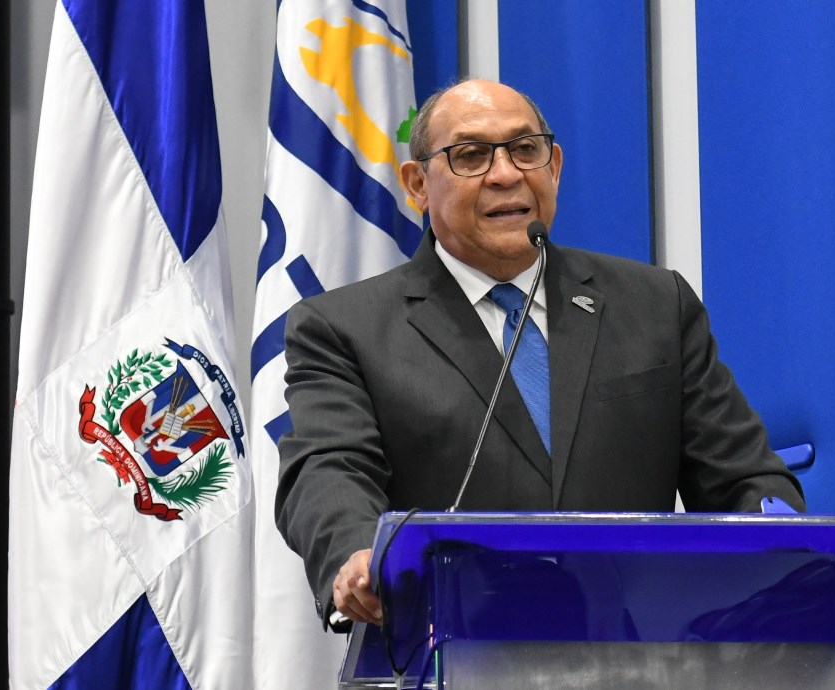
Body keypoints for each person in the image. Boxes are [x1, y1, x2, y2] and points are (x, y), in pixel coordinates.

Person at [275, 79, 805, 630]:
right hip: (447, 646)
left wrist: (784, 545)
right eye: (471, 155)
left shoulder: (654, 305)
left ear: (555, 167)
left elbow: (741, 475)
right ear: (417, 185)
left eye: (525, 149)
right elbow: (328, 469)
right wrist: (358, 552)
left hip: (639, 649)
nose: (506, 174)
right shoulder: (345, 327)